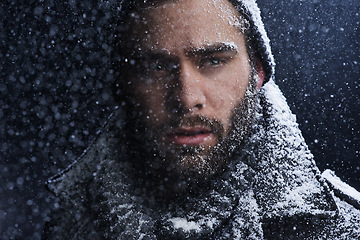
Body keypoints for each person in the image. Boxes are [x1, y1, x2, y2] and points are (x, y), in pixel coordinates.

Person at [43, 0, 360, 239]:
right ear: (122, 83)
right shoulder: (67, 227)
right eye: (155, 67)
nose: (185, 97)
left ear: (258, 73)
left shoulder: (343, 230)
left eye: (212, 60)